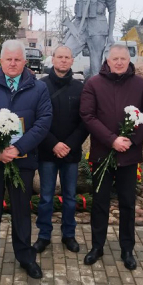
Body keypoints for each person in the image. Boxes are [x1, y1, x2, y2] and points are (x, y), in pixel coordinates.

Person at [0, 40, 52, 280]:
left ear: (25, 62)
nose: (13, 63)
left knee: (21, 211)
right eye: (9, 59)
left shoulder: (38, 89)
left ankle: (26, 257)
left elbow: (43, 122)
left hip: (23, 161)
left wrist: (17, 148)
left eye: (18, 59)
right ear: (1, 61)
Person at [80, 44, 143, 270]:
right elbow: (87, 115)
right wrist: (111, 139)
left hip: (129, 156)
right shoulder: (93, 84)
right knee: (100, 203)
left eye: (123, 58)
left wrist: (132, 139)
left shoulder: (140, 84)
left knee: (127, 203)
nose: (119, 62)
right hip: (102, 154)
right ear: (107, 59)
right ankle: (97, 246)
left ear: (129, 59)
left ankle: (127, 248)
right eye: (115, 58)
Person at [34, 46, 88, 254]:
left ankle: (69, 235)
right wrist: (53, 143)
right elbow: (36, 118)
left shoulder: (80, 88)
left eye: (67, 57)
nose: (63, 61)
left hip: (71, 152)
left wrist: (70, 145)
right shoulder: (41, 86)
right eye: (60, 57)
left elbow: (85, 121)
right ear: (53, 59)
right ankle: (44, 235)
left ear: (72, 60)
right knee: (46, 196)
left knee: (70, 197)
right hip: (48, 151)